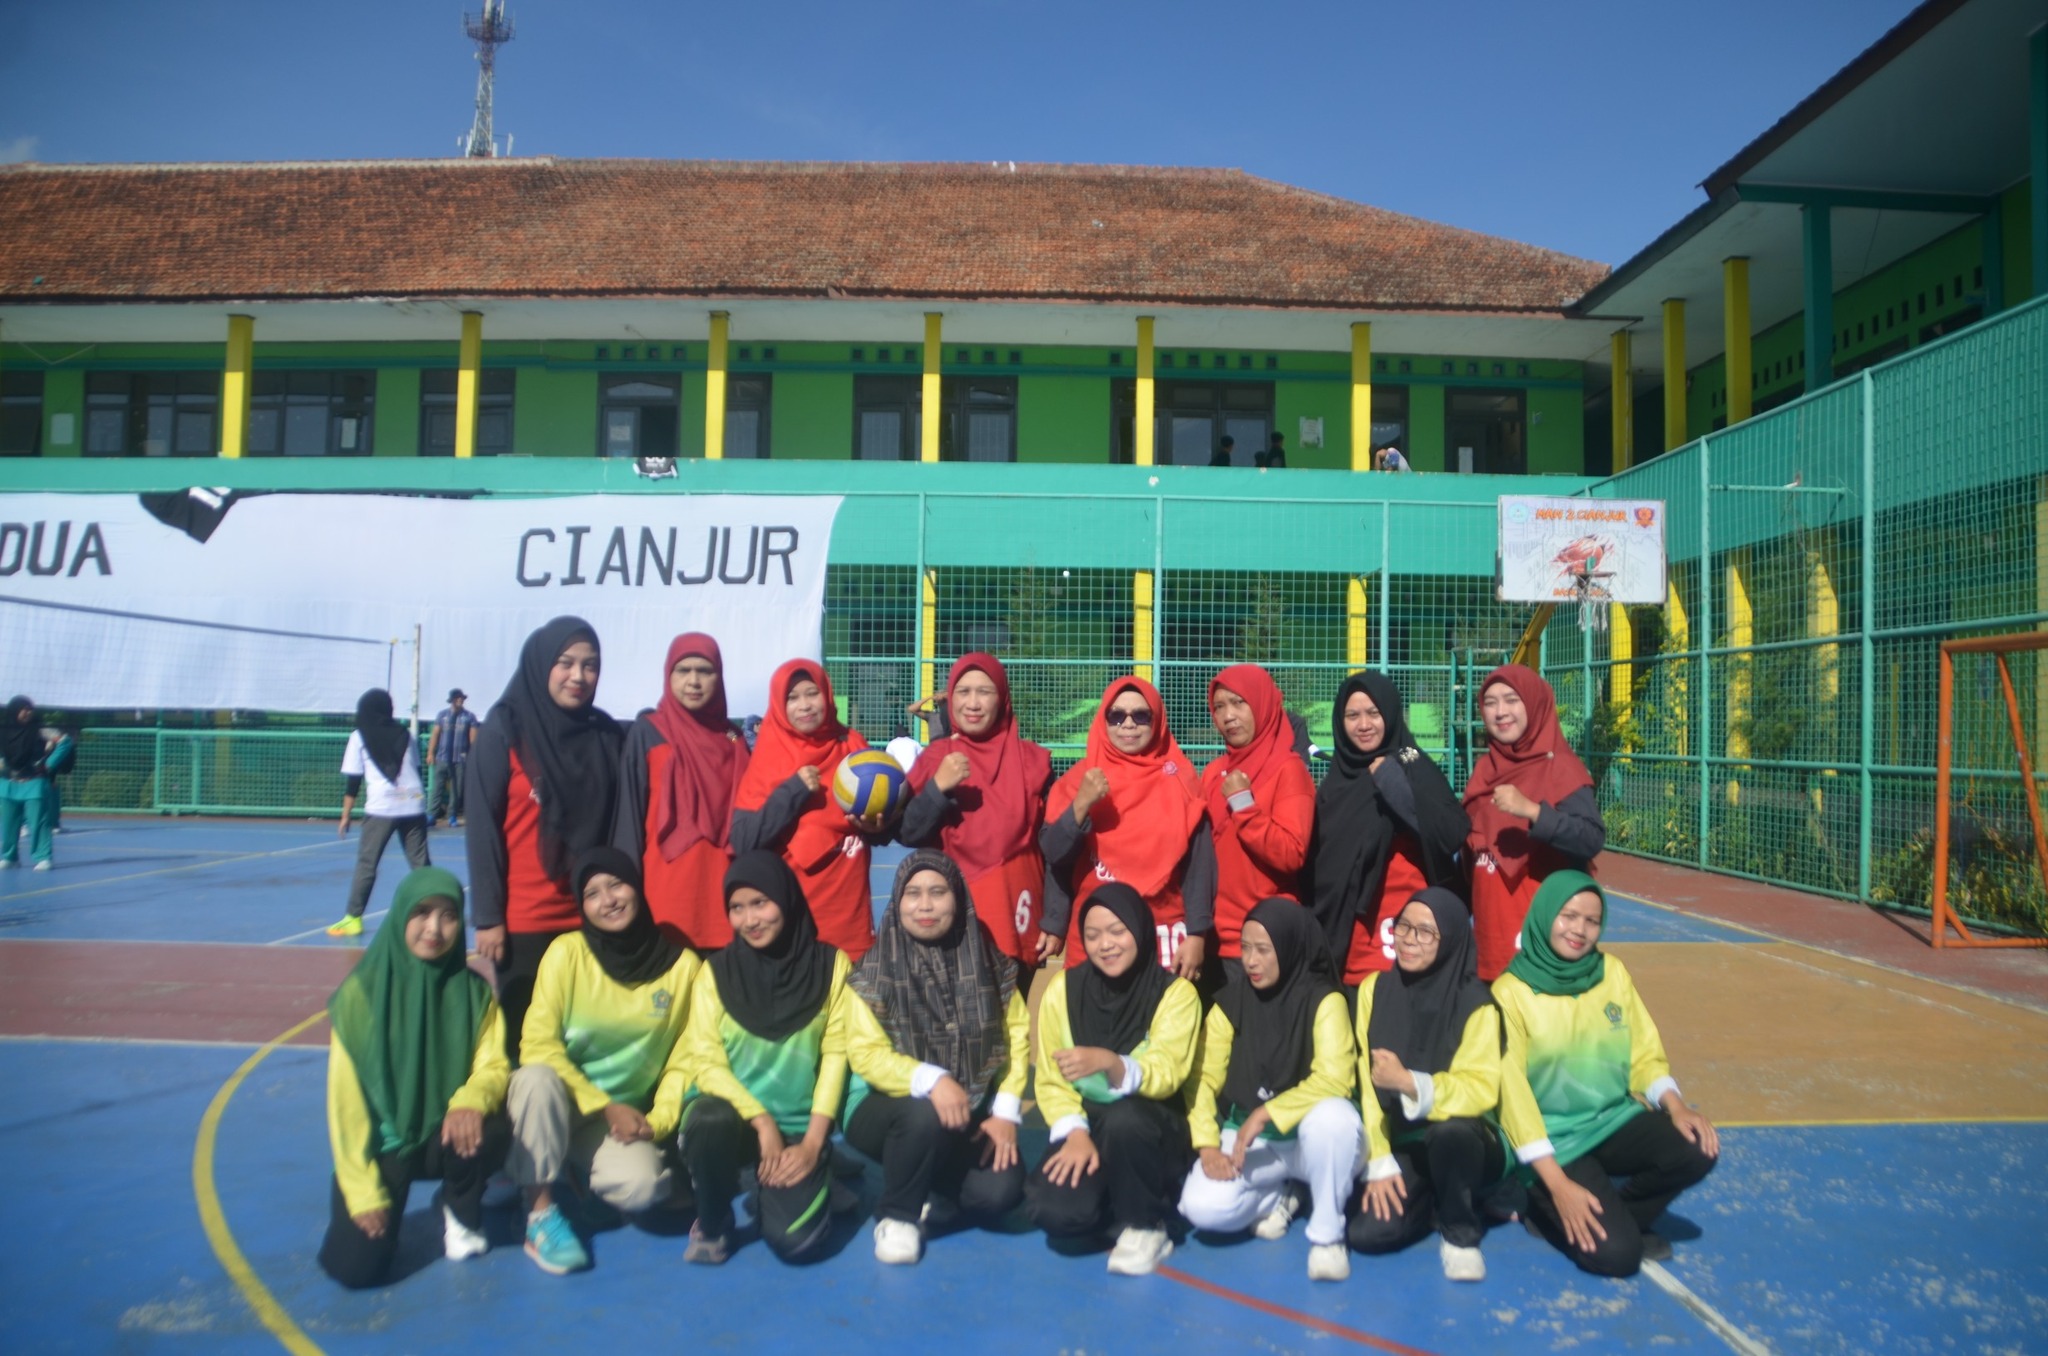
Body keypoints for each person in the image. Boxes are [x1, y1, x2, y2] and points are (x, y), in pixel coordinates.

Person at [1496, 871, 1718, 1277]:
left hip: (1613, 1121)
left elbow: (1643, 1053)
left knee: (1697, 1145)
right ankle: (1543, 1210)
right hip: (1555, 1142)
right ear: (1545, 915)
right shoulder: (1510, 993)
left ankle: (1616, 1216)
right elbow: (1513, 1101)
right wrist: (1557, 1185)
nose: (1579, 930)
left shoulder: (1611, 972)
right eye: (1568, 916)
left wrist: (1676, 1106)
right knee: (1618, 1257)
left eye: (1592, 921)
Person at [317, 867, 511, 1289]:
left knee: (499, 1120)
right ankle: (373, 1197)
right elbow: (345, 1108)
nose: (435, 929)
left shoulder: (474, 993)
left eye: (449, 916)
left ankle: (459, 1209)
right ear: (400, 915)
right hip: (385, 1146)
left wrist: (470, 1101)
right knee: (357, 1269)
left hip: (446, 1134)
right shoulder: (359, 998)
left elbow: (493, 1065)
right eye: (422, 913)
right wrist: (362, 1190)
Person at [508, 847, 699, 1275]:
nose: (608, 900)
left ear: (637, 888)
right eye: (592, 893)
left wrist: (659, 1122)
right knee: (534, 1077)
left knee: (644, 1186)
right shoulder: (567, 953)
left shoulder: (684, 968)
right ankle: (539, 1212)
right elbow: (537, 1044)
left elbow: (685, 1060)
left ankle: (573, 1169)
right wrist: (603, 1104)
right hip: (558, 1102)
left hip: (615, 1120)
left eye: (616, 885)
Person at [844, 850, 1030, 1265]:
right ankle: (897, 1215)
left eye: (938, 892)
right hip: (882, 1107)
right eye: (912, 894)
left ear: (957, 898)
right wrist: (931, 1078)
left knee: (1000, 1191)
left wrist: (1005, 1110)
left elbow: (1016, 1035)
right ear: (897, 901)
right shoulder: (872, 972)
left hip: (965, 1108)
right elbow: (867, 1056)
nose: (925, 905)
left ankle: (934, 1184)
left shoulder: (989, 963)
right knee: (922, 1115)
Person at [678, 851, 853, 1265]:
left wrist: (813, 1143)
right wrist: (760, 1120)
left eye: (760, 903)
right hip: (738, 1124)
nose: (750, 920)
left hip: (799, 1131)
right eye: (737, 908)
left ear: (786, 899)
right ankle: (714, 1222)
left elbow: (836, 1056)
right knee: (707, 1118)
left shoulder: (831, 966)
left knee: (798, 1243)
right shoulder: (715, 973)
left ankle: (813, 1172)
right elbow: (706, 1062)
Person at [1178, 898, 1360, 1282]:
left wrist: (1267, 1113)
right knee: (1201, 1207)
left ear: (1290, 947)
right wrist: (1207, 1145)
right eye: (1245, 948)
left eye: (1263, 949)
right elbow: (1203, 1078)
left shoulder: (1324, 1000)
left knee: (1335, 1119)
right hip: (1255, 1144)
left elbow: (1335, 1078)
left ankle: (1327, 1234)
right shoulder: (1231, 1003)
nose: (1251, 960)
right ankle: (1281, 1194)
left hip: (1311, 1144)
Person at [468, 616, 625, 1059]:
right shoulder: (504, 731)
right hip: (524, 923)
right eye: (565, 663)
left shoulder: (603, 734)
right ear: (541, 665)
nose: (578, 676)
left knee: (584, 1040)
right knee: (525, 1044)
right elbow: (482, 828)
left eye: (590, 665)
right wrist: (488, 917)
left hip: (591, 917)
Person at [1024, 884, 1201, 1275]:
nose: (1105, 944)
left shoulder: (1176, 994)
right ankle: (1117, 1197)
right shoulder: (1062, 990)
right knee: (1056, 1213)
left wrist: (1112, 1063)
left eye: (1117, 931)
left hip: (1152, 1129)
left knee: (1125, 1120)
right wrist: (1075, 1133)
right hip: (1091, 1125)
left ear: (1140, 929)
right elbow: (1052, 1081)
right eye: (1092, 935)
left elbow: (1168, 1072)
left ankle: (1147, 1224)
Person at [1348, 888, 1504, 1281]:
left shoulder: (1477, 1004)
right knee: (1367, 1234)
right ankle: (1431, 1199)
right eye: (1403, 927)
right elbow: (1367, 1085)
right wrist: (1379, 1158)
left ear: (1450, 939)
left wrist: (1410, 1083)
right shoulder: (1375, 989)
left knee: (1451, 1133)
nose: (1408, 939)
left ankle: (1460, 1232)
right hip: (1407, 1141)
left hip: (1465, 1141)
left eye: (1425, 932)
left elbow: (1480, 1088)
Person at [1041, 677, 1212, 980]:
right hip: (1095, 935)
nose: (1128, 724)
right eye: (1116, 715)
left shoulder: (1181, 780)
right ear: (1103, 720)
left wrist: (1197, 933)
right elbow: (1055, 854)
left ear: (1157, 721)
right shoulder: (1079, 781)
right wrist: (1081, 805)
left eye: (1141, 716)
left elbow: (1199, 866)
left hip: (1163, 933)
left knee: (1163, 1010)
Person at [1305, 673, 1469, 987]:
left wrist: (1392, 782)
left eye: (1374, 713)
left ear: (1390, 714)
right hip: (1346, 937)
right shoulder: (1335, 784)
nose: (1363, 724)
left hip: (1406, 938)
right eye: (1352, 715)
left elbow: (1448, 833)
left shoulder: (1411, 761)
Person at [901, 653, 1056, 966]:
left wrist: (1055, 918)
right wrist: (937, 789)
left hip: (1017, 916)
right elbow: (908, 832)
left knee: (1012, 999)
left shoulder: (1033, 762)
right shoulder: (936, 759)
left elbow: (1054, 850)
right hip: (950, 921)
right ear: (951, 697)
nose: (972, 703)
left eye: (984, 692)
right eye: (963, 692)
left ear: (1002, 699)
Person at [733, 659, 884, 960]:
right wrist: (793, 791)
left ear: (827, 694)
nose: (804, 705)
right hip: (791, 920)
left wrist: (878, 825)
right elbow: (744, 840)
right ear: (779, 705)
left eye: (812, 693)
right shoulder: (769, 755)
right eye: (792, 698)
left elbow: (884, 817)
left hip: (850, 919)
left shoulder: (852, 744)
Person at [1463, 664, 1604, 981]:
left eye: (1512, 700)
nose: (1500, 711)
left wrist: (1534, 812)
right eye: (1490, 703)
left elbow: (1590, 838)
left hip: (1543, 951)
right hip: (1489, 946)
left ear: (1534, 704)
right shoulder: (1486, 770)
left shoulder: (1561, 767)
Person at [613, 634, 749, 951]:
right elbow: (629, 822)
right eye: (683, 670)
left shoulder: (733, 738)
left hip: (726, 900)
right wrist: (625, 894)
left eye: (705, 671)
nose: (694, 681)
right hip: (663, 900)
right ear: (668, 675)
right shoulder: (649, 732)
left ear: (719, 676)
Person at [1201, 665, 1314, 981]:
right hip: (1213, 939)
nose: (1228, 716)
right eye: (1219, 707)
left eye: (1239, 703)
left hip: (1265, 940)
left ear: (1262, 704)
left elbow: (1291, 853)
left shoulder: (1288, 770)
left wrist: (1243, 805)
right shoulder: (1213, 772)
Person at [327, 689, 431, 938]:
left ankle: (353, 918)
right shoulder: (406, 734)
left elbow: (353, 780)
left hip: (383, 805)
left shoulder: (359, 736)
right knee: (420, 863)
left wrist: (345, 815)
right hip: (414, 801)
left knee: (368, 862)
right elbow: (416, 769)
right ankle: (436, 911)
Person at [0, 696, 56, 871]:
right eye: (24, 709)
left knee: (38, 822)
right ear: (15, 711)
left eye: (30, 709)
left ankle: (43, 857)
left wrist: (49, 762)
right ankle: (9, 857)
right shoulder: (3, 730)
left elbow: (64, 742)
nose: (28, 713)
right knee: (9, 823)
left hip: (34, 783)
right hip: (8, 784)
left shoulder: (39, 729)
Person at [426, 688, 477, 828]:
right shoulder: (442, 715)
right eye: (457, 698)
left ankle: (452, 815)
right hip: (443, 757)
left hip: (460, 759)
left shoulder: (469, 717)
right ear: (452, 700)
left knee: (457, 789)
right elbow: (435, 734)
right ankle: (432, 814)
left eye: (462, 698)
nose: (460, 700)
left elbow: (473, 739)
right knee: (437, 787)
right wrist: (431, 753)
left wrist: (473, 757)